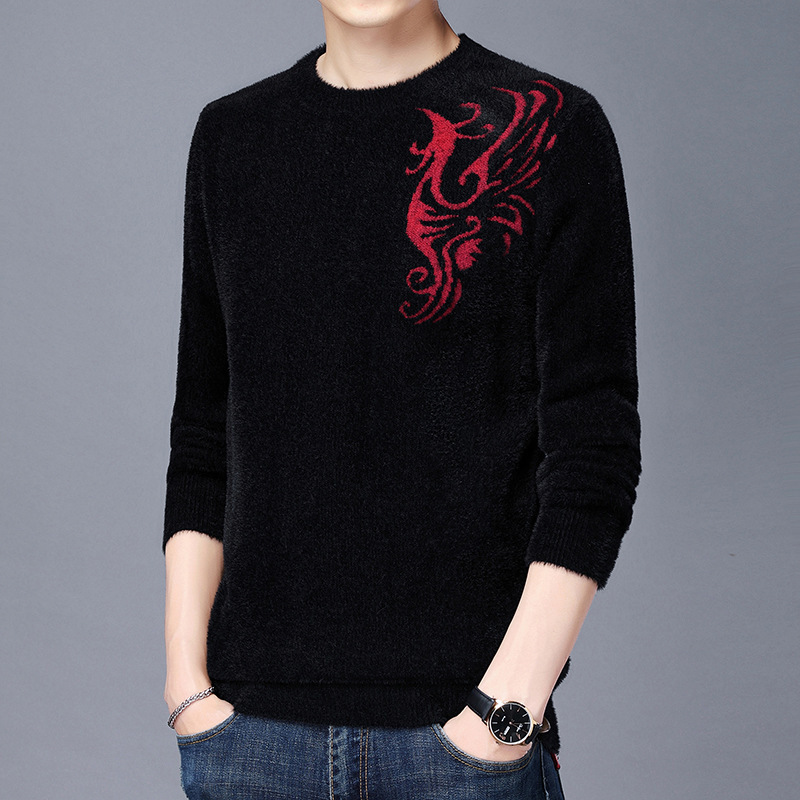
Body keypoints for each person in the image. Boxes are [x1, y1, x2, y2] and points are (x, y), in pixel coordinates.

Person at [162, 2, 641, 798]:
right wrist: (186, 686)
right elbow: (205, 433)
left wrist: (507, 708)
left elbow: (594, 447)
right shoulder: (232, 138)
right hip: (249, 741)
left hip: (464, 738)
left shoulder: (548, 125)